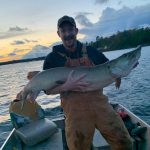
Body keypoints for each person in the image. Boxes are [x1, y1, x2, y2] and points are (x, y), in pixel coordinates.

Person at [20, 16, 133, 150]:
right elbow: (48, 90)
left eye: (70, 30)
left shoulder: (91, 51)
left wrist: (124, 71)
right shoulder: (52, 58)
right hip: (75, 113)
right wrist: (67, 86)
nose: (68, 34)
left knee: (124, 142)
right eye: (64, 31)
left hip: (101, 106)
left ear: (76, 31)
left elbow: (111, 69)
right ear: (58, 34)